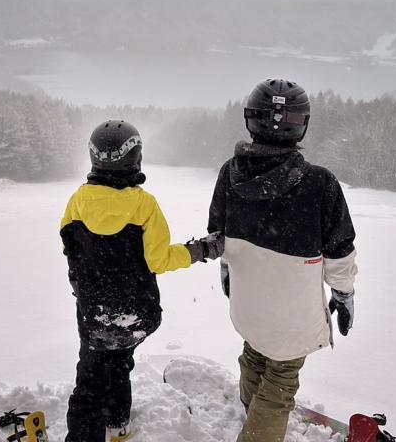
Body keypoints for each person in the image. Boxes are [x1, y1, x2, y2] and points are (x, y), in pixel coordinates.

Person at [208, 80, 357, 442]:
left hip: (249, 302)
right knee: (281, 380)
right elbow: (340, 252)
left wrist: (227, 268)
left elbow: (217, 234)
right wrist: (343, 294)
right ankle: (259, 429)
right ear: (300, 124)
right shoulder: (320, 183)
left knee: (255, 352)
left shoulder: (231, 173)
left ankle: (250, 408)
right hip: (293, 313)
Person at [60, 120, 223, 442]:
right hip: (137, 313)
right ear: (135, 157)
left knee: (90, 380)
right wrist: (201, 249)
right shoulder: (144, 205)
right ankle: (118, 421)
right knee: (120, 362)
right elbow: (159, 260)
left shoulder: (77, 202)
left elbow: (71, 249)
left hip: (94, 311)